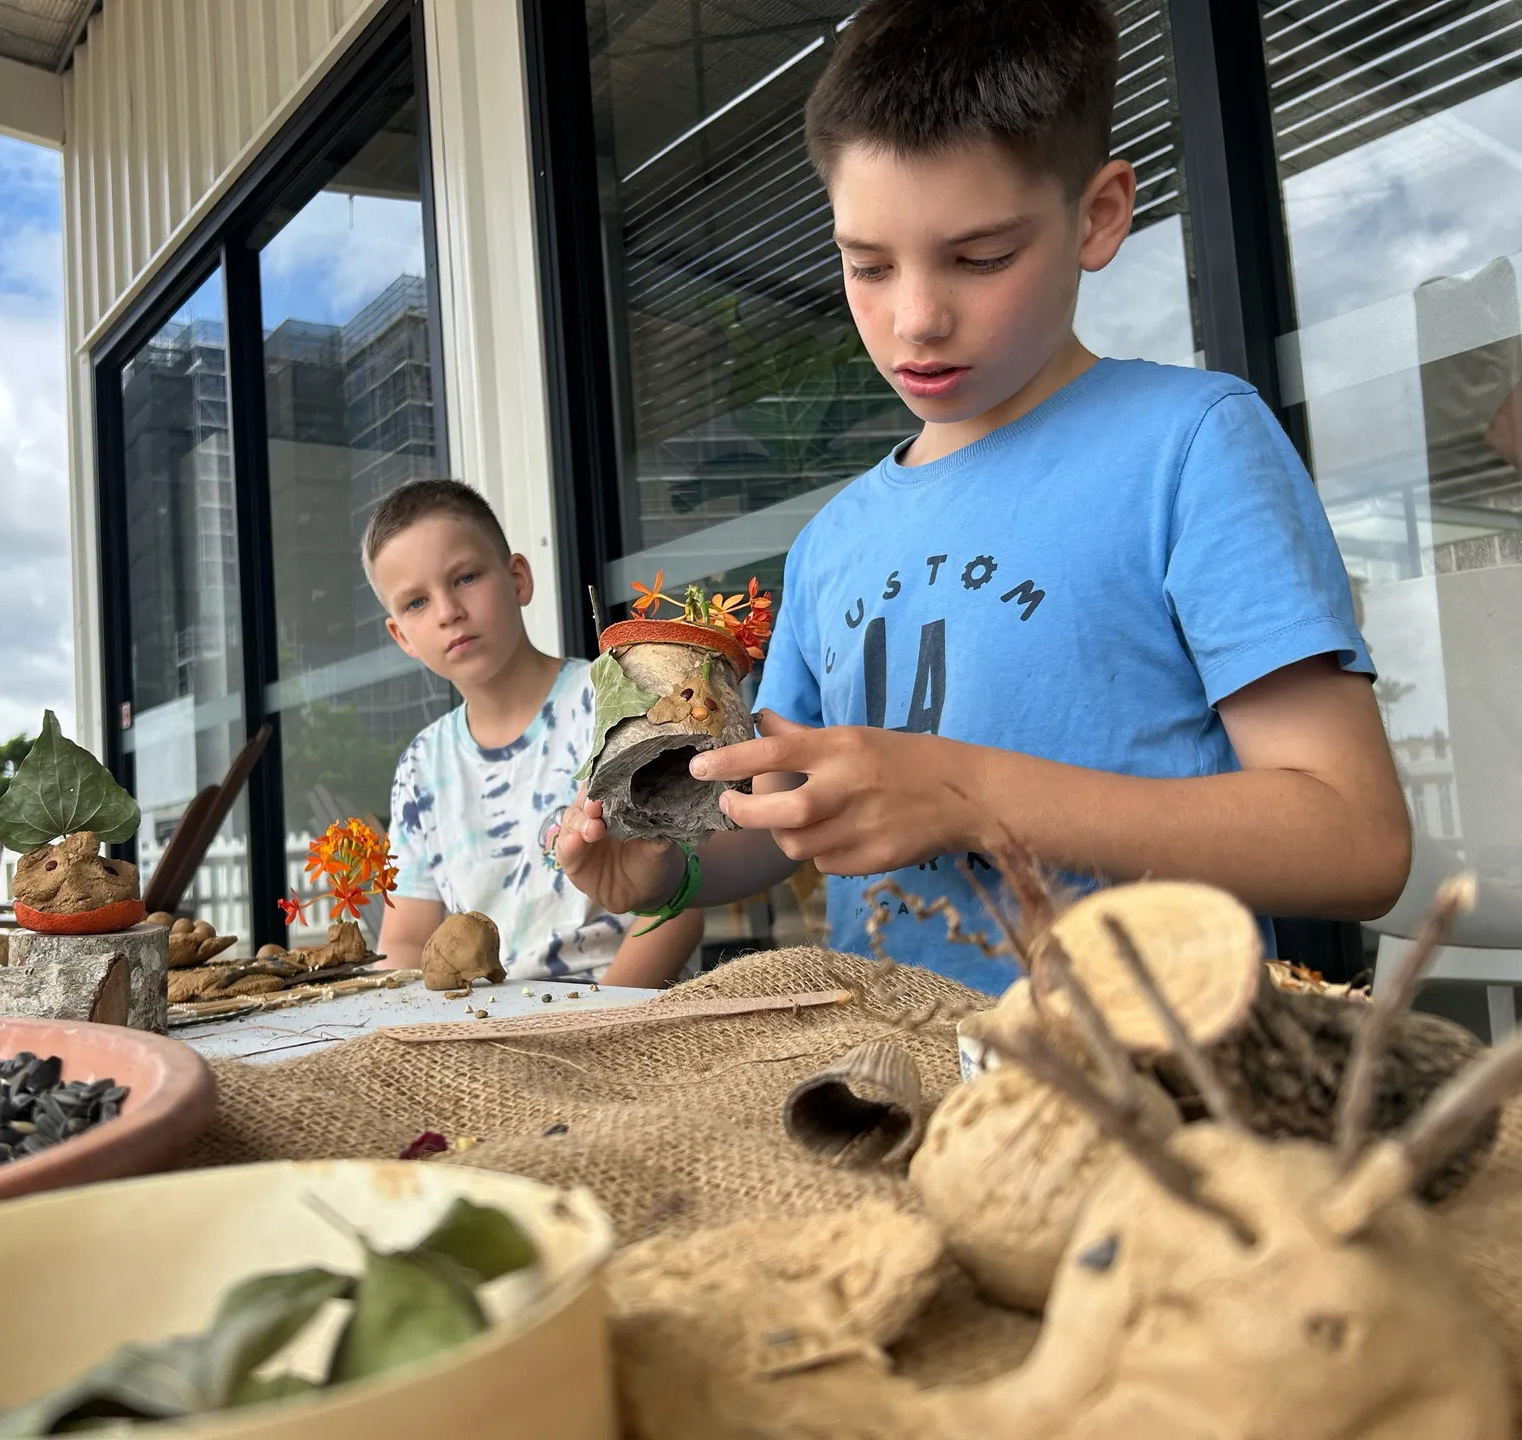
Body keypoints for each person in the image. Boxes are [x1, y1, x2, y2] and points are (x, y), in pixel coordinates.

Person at [555, 0, 1411, 994]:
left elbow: (1356, 841)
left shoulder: (1189, 446)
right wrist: (671, 866)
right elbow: (788, 813)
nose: (915, 319)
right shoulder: (834, 540)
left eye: (981, 257)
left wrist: (969, 793)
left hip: (1140, 1083)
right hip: (891, 1080)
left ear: (1097, 216)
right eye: (866, 265)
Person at [363, 478, 702, 986]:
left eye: (465, 577)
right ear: (401, 638)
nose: (447, 612)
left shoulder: (614, 703)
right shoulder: (420, 767)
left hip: (623, 1015)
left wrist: (586, 1033)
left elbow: (682, 902)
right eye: (415, 603)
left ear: (518, 578)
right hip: (486, 1027)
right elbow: (407, 940)